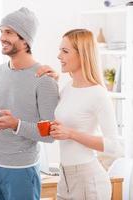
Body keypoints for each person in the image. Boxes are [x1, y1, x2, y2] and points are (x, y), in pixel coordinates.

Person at [0, 7, 59, 200]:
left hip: (21, 170)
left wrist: (16, 124)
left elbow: (49, 135)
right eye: (1, 31)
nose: (1, 37)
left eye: (8, 32)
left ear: (25, 39)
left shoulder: (44, 79)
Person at [50, 29, 124, 199]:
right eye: (60, 50)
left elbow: (114, 146)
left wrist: (71, 134)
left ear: (82, 55)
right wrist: (49, 86)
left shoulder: (98, 93)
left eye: (65, 51)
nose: (58, 56)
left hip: (89, 181)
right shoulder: (67, 88)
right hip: (64, 178)